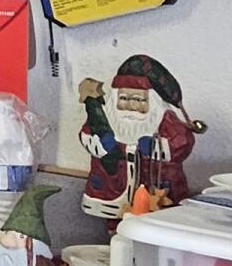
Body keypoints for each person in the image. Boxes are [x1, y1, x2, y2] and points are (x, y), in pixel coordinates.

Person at [79, 54, 200, 217]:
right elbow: (86, 133)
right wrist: (98, 144)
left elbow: (182, 141)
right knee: (115, 222)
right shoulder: (106, 118)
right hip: (112, 188)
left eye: (139, 100)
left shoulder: (164, 120)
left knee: (153, 224)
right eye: (124, 98)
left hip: (156, 192)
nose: (131, 105)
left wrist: (156, 148)